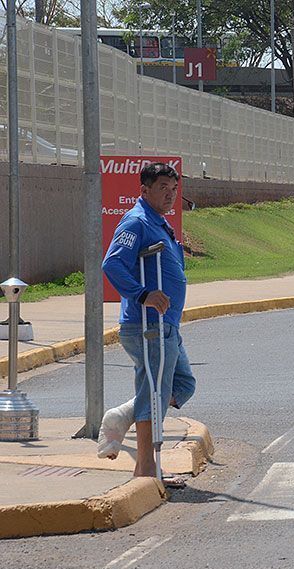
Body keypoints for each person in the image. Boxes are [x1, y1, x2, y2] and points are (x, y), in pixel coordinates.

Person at [99, 162, 196, 485]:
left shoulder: (158, 222)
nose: (170, 196)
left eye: (173, 190)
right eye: (162, 189)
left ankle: (121, 416)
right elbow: (112, 263)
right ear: (144, 191)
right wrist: (143, 295)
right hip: (147, 324)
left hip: (167, 325)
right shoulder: (137, 221)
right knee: (154, 391)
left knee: (181, 385)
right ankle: (145, 470)